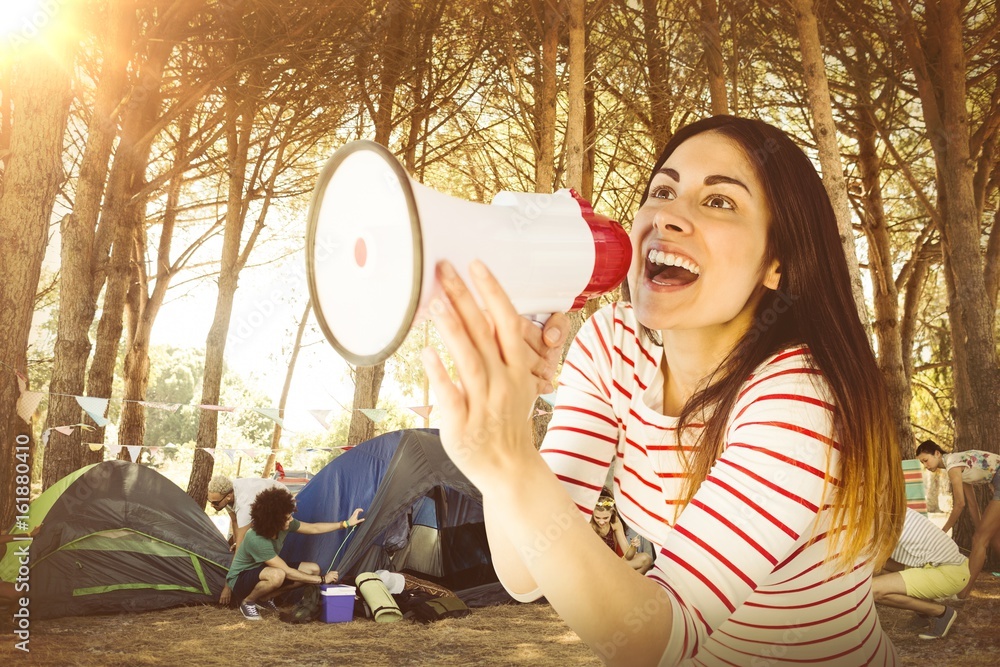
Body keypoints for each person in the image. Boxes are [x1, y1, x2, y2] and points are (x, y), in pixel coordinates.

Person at [421, 115, 905, 664]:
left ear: (777, 262)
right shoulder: (612, 344)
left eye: (719, 201)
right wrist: (506, 425)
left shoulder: (799, 396)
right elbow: (525, 572)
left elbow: (658, 637)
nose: (669, 216)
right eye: (663, 190)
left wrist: (509, 460)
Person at [225, 486, 364, 621]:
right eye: (287, 518)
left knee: (312, 569)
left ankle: (264, 598)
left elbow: (313, 528)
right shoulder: (256, 538)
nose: (291, 519)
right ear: (273, 520)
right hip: (240, 579)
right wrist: (322, 579)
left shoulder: (284, 524)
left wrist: (345, 524)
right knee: (278, 575)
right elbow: (287, 572)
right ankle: (248, 602)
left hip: (262, 572)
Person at [915, 439, 1000, 599]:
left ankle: (962, 593)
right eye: (922, 463)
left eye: (926, 460)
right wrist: (979, 529)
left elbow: (959, 505)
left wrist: (943, 531)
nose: (925, 465)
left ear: (937, 453)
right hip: (997, 482)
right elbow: (972, 505)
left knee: (980, 540)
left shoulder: (953, 465)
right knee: (993, 539)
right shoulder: (957, 465)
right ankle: (963, 592)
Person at [872, 508, 968, 639]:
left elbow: (871, 561)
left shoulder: (884, 518)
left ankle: (940, 613)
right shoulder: (891, 509)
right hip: (939, 567)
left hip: (947, 572)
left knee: (872, 590)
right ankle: (923, 614)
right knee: (880, 569)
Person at [208, 474, 288, 606]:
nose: (212, 505)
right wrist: (235, 539)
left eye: (215, 503)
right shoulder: (227, 493)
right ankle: (259, 584)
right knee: (245, 544)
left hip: (280, 502)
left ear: (228, 496)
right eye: (209, 501)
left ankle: (264, 593)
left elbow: (240, 548)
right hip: (261, 503)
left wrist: (227, 587)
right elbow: (234, 521)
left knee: (257, 544)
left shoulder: (244, 505)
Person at [591, 495, 653, 574]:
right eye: (597, 517)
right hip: (597, 568)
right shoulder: (589, 525)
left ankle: (629, 583)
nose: (601, 522)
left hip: (614, 564)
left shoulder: (615, 522)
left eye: (605, 518)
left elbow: (628, 556)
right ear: (592, 514)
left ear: (612, 514)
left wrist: (633, 546)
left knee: (647, 559)